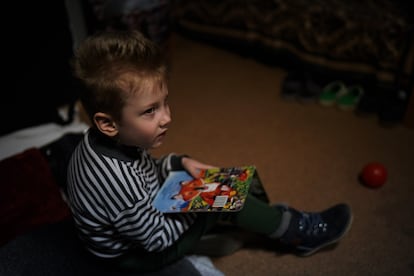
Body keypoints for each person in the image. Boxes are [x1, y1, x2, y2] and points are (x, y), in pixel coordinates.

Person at [66, 29, 353, 273]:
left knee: (211, 179)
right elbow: (155, 239)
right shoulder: (118, 183)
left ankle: (253, 219)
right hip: (134, 257)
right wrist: (203, 205)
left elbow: (145, 170)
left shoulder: (104, 141)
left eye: (165, 102)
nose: (167, 117)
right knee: (224, 193)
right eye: (150, 111)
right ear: (108, 123)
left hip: (143, 215)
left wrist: (180, 162)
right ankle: (295, 233)